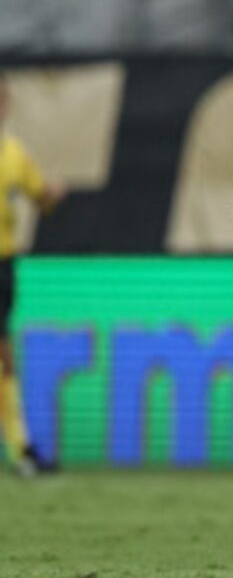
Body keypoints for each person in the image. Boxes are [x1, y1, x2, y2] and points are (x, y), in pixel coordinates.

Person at [0, 76, 65, 477]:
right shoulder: (10, 153)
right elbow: (44, 198)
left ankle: (22, 449)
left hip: (3, 266)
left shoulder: (12, 154)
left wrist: (49, 195)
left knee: (4, 357)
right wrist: (51, 195)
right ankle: (22, 449)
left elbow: (41, 197)